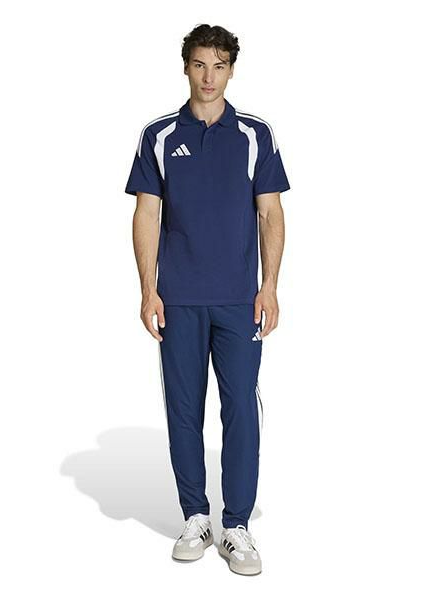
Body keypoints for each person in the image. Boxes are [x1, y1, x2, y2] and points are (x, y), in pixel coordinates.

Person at [124, 24, 290, 576]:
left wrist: (269, 286)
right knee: (183, 410)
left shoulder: (255, 135)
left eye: (219, 65)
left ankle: (236, 524)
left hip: (239, 300)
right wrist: (148, 289)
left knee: (241, 408)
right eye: (200, 64)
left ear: (231, 70)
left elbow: (270, 213)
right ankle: (195, 516)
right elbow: (146, 213)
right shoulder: (158, 135)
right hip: (179, 299)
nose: (209, 76)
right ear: (186, 67)